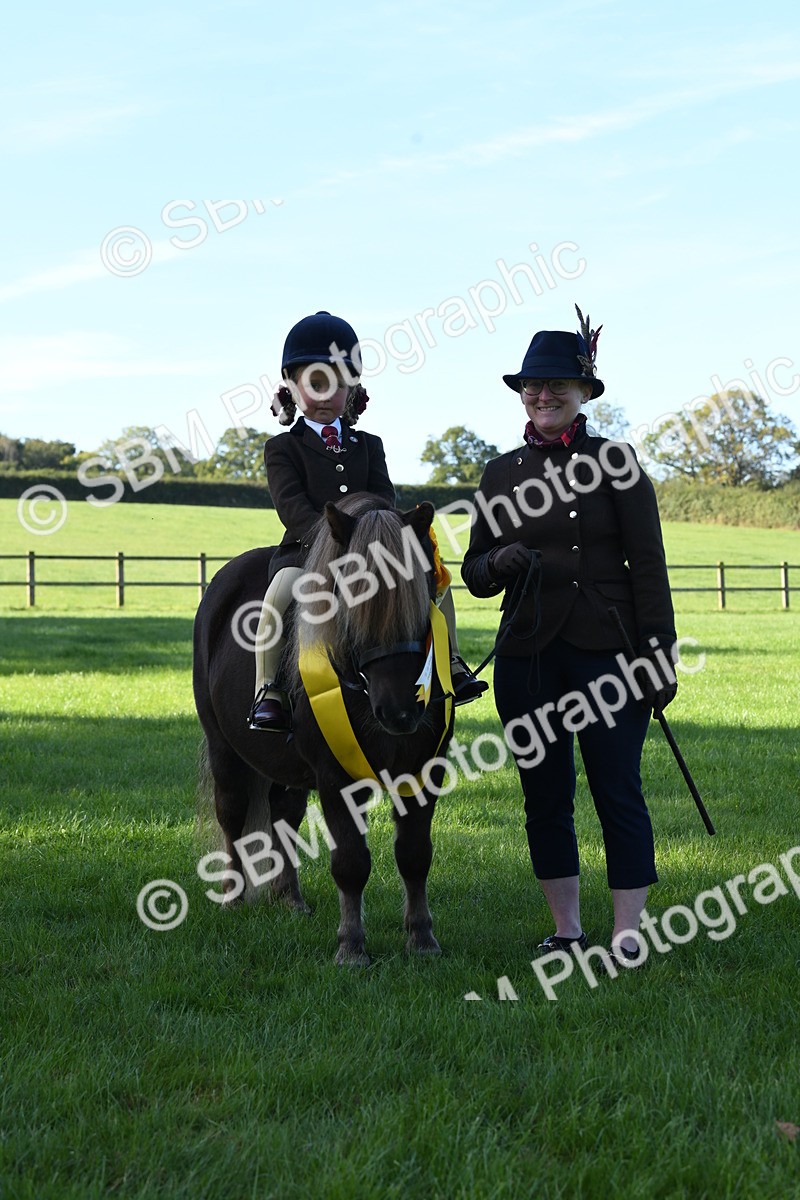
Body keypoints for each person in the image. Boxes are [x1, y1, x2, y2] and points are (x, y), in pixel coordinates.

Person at [461, 306, 677, 966]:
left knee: (618, 789)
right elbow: (472, 571)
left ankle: (628, 935)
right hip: (527, 656)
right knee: (543, 795)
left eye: (557, 386)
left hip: (608, 653)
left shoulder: (616, 461)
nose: (543, 396)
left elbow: (649, 563)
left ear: (584, 392)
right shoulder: (498, 473)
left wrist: (658, 655)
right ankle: (565, 930)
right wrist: (496, 563)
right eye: (532, 387)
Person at [249, 310, 486, 731]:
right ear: (293, 387)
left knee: (436, 578)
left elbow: (384, 497)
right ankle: (268, 689)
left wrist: (383, 538)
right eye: (314, 385)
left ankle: (451, 662)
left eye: (335, 386)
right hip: (306, 552)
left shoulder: (369, 444)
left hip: (373, 551)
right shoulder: (282, 447)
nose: (324, 397)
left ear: (351, 388)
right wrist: (335, 542)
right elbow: (293, 508)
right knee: (278, 595)